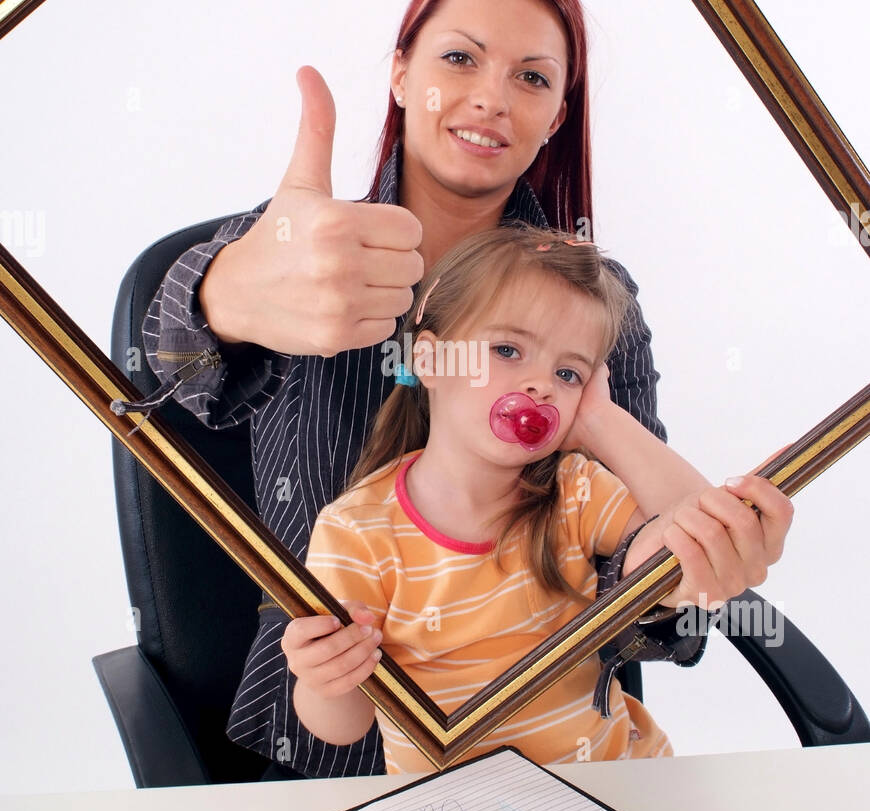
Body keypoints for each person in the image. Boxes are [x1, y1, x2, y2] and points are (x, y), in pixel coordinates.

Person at [141, 0, 793, 779]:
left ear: (556, 115)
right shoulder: (306, 251)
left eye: (532, 77)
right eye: (460, 58)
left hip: (558, 754)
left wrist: (693, 564)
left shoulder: (598, 302)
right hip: (335, 757)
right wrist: (222, 295)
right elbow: (158, 385)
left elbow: (649, 577)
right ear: (403, 72)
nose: (492, 99)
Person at [282, 224, 793, 771]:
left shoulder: (576, 491)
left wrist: (598, 417)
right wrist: (325, 678)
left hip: (613, 781)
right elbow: (341, 728)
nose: (540, 386)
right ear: (429, 361)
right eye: (507, 349)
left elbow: (696, 540)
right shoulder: (357, 531)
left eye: (568, 373)